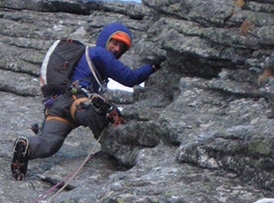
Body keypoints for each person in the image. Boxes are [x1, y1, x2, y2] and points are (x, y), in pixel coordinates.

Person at [11, 21, 163, 180]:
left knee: (49, 144)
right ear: (105, 39)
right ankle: (97, 108)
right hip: (77, 99)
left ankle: (26, 147)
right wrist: (152, 66)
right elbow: (130, 78)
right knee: (92, 116)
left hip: (57, 105)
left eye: (121, 47)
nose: (117, 49)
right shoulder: (99, 53)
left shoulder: (84, 57)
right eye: (114, 42)